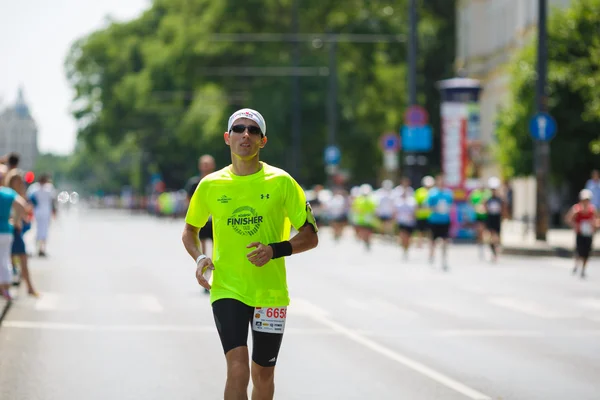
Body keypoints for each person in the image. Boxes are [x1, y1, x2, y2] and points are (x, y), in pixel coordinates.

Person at [181, 108, 319, 400]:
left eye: (253, 130)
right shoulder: (210, 185)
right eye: (239, 129)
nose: (246, 135)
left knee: (263, 375)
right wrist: (199, 258)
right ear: (227, 138)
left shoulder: (281, 182)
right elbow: (189, 231)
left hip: (269, 293)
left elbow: (310, 236)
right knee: (238, 370)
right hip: (227, 289)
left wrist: (274, 250)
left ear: (263, 141)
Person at [185, 155, 217, 294]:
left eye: (208, 164)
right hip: (202, 223)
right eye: (203, 164)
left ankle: (215, 278)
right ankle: (205, 278)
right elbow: (189, 200)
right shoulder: (194, 183)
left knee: (217, 252)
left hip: (216, 222)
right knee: (204, 253)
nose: (206, 167)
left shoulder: (218, 181)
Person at [0, 168, 29, 300]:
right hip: (7, 230)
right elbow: (22, 205)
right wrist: (16, 221)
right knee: (5, 260)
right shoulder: (8, 193)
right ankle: (6, 289)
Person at [565, 189, 598, 279]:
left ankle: (583, 269)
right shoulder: (576, 209)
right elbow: (568, 219)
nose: (586, 202)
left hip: (588, 234)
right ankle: (576, 265)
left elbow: (597, 220)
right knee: (579, 251)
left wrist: (594, 225)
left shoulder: (592, 209)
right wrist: (576, 226)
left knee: (587, 252)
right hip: (580, 233)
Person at [427, 175, 454, 270]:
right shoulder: (433, 193)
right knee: (432, 240)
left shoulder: (448, 193)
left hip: (445, 220)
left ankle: (444, 259)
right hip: (435, 220)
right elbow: (429, 206)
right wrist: (436, 208)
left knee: (445, 241)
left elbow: (450, 205)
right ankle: (431, 256)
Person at [28, 174, 56, 257]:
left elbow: (29, 199)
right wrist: (54, 211)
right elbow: (53, 201)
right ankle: (41, 248)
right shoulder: (49, 188)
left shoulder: (33, 188)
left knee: (37, 229)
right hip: (45, 211)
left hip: (37, 211)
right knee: (44, 230)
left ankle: (37, 248)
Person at [485, 177, 505, 263]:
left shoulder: (499, 199)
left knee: (496, 237)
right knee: (490, 237)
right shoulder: (488, 199)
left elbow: (503, 209)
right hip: (490, 219)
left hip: (497, 219)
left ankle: (495, 252)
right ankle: (494, 252)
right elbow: (485, 208)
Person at [414, 176, 434, 248]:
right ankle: (419, 244)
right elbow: (416, 203)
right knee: (420, 230)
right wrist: (415, 213)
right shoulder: (419, 191)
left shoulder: (433, 191)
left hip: (430, 215)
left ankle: (430, 244)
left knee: (430, 231)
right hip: (421, 215)